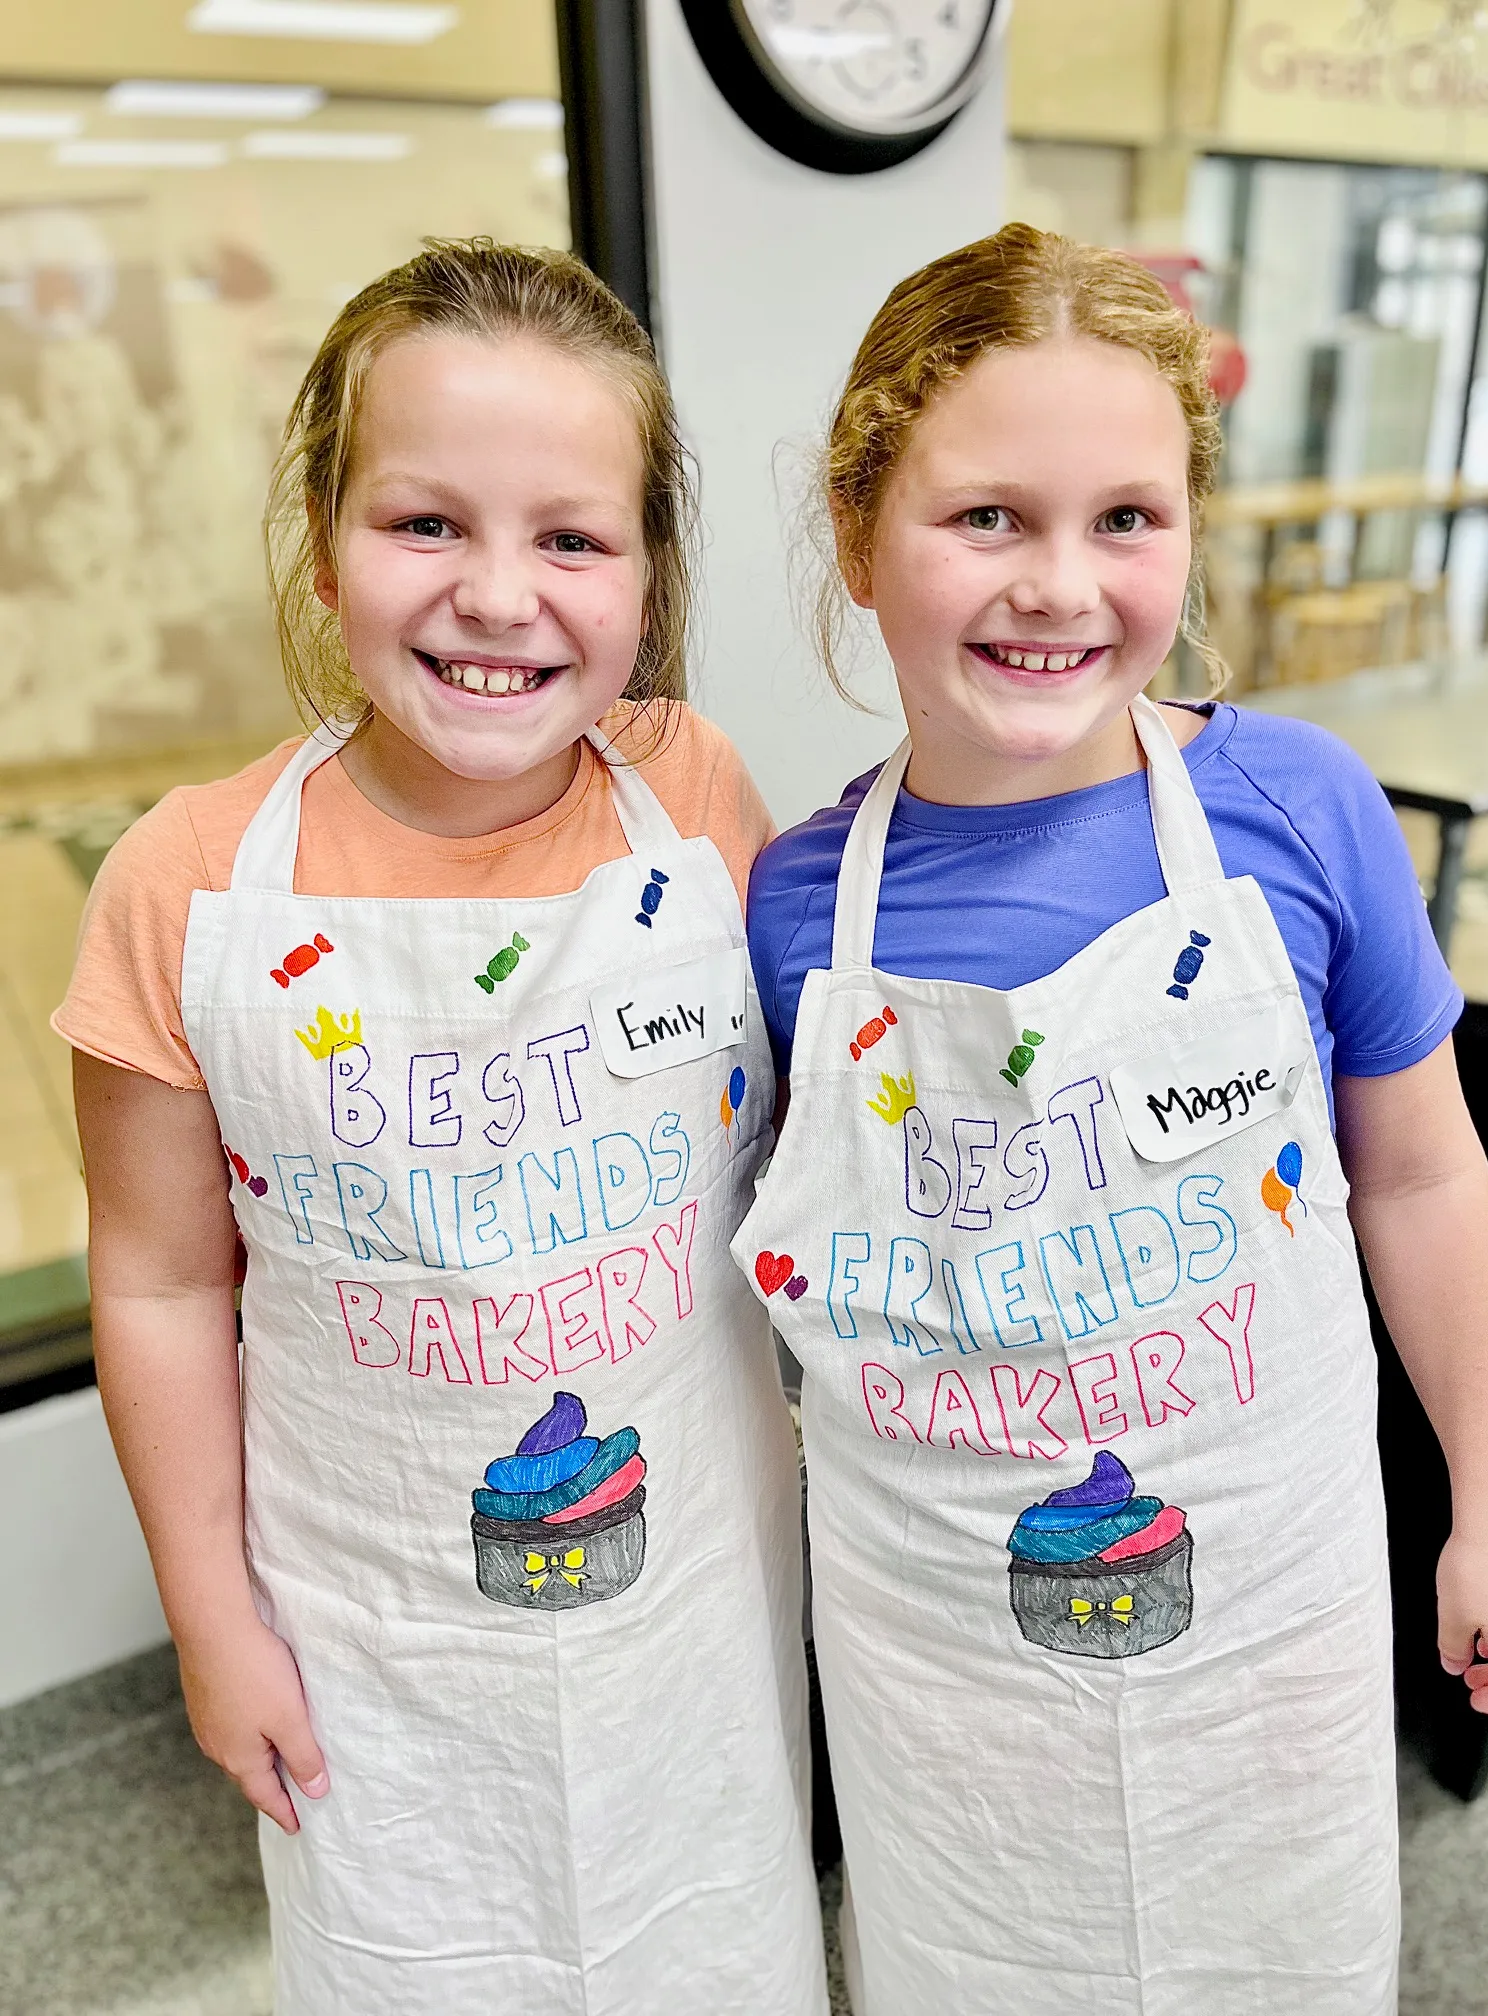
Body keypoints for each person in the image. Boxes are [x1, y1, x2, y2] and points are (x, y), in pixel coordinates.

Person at [735, 222, 1488, 2013]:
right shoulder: (792, 907)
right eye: (987, 517)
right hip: (939, 1665)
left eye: (1126, 522)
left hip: (1269, 1633)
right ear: (861, 535)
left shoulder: (1298, 814)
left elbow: (1424, 1172)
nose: (1058, 585)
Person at [57, 238, 827, 2016]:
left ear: (648, 573)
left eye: (571, 538)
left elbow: (800, 1145)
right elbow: (165, 1289)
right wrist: (210, 1620)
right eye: (426, 526)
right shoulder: (186, 883)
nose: (500, 597)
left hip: (694, 1604)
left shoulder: (695, 796)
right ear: (327, 543)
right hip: (369, 1637)